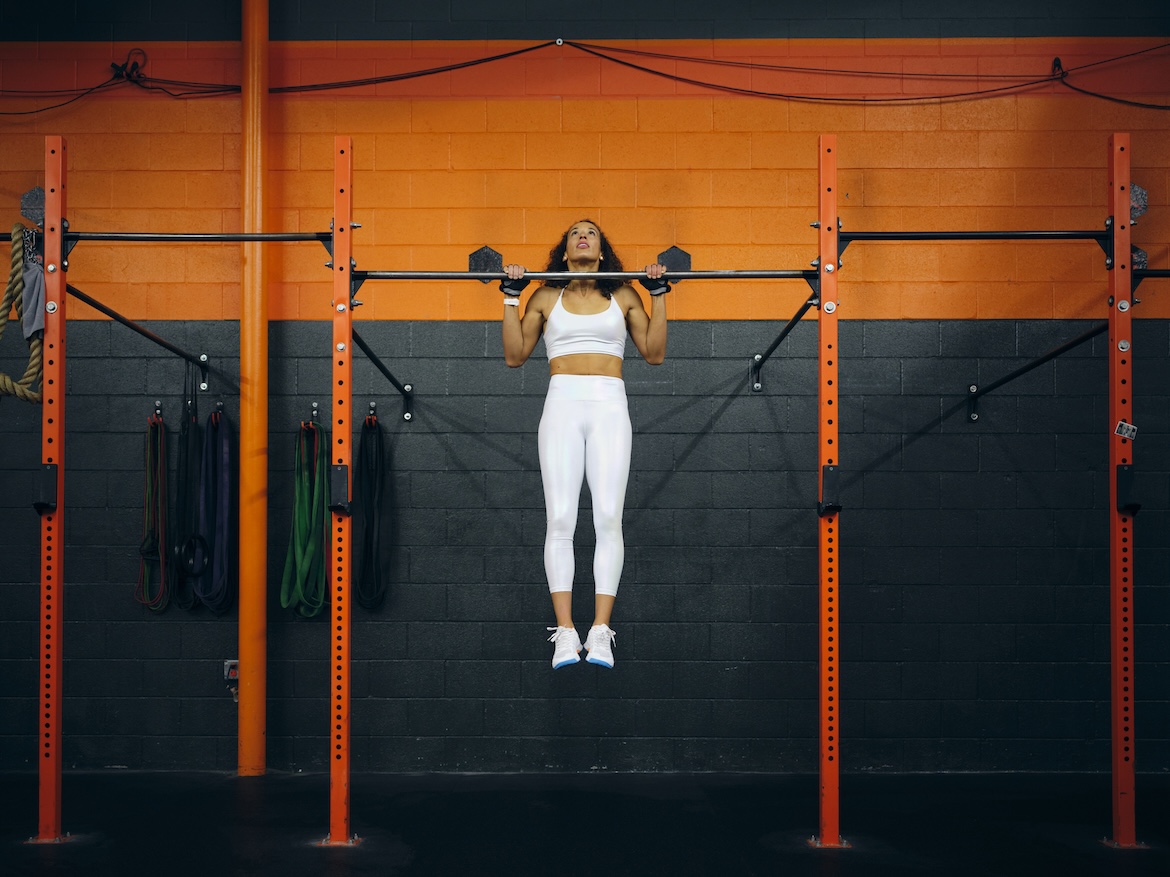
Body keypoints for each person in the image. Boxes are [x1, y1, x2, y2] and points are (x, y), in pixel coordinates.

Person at [501, 219, 669, 670]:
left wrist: (661, 295)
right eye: (575, 231)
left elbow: (654, 353)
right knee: (560, 518)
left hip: (609, 406)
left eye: (591, 232)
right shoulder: (543, 296)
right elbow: (515, 356)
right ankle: (565, 633)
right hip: (562, 405)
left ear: (601, 250)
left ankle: (599, 631)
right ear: (564, 251)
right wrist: (510, 296)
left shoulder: (626, 294)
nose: (583, 235)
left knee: (608, 517)